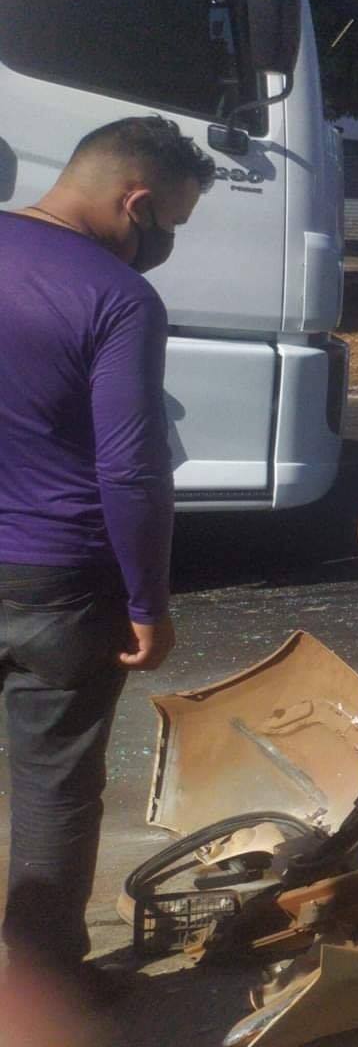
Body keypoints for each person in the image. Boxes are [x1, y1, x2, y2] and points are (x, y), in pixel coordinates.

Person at [0, 116, 211, 999]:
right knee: (53, 788)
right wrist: (148, 603)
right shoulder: (118, 298)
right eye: (168, 224)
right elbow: (131, 468)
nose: (161, 244)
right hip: (59, 581)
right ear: (136, 202)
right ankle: (41, 988)